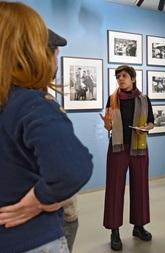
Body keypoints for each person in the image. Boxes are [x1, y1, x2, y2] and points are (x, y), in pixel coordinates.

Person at [0, 2, 93, 252]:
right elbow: (72, 169)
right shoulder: (31, 104)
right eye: (54, 53)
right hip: (31, 239)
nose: (56, 59)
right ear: (33, 52)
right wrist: (41, 199)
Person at [99, 65, 155, 251]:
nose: (120, 79)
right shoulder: (113, 99)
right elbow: (108, 127)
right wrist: (107, 123)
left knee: (140, 186)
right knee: (115, 187)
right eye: (118, 77)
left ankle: (139, 226)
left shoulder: (144, 99)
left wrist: (146, 128)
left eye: (124, 76)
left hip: (138, 146)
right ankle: (114, 231)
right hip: (118, 148)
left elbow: (151, 122)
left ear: (133, 78)